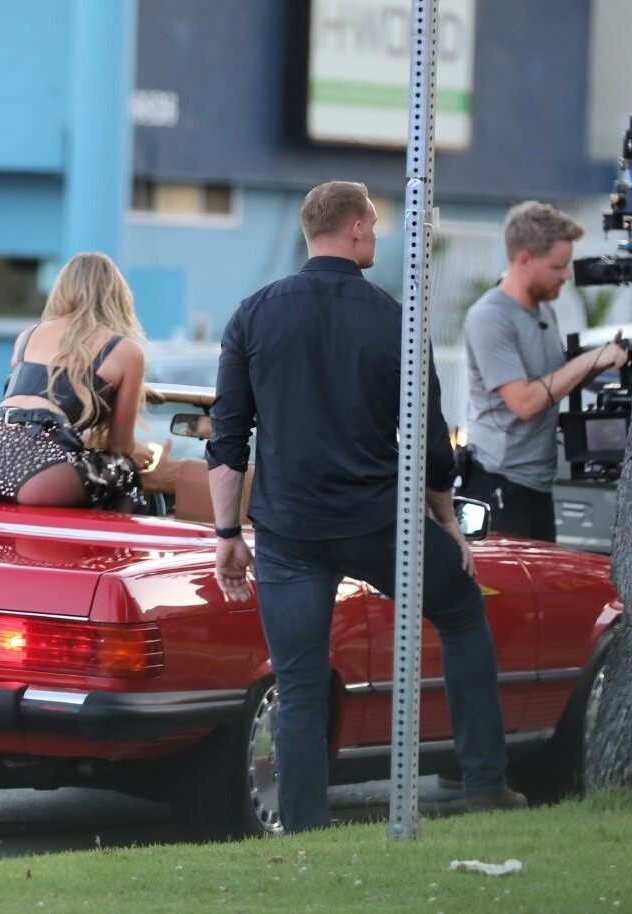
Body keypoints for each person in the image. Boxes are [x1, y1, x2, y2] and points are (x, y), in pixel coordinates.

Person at [206, 180, 525, 833]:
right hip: (379, 523)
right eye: (374, 225)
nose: (377, 235)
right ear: (353, 228)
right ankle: (485, 782)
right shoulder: (395, 320)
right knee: (462, 612)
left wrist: (226, 533)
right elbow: (430, 441)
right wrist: (446, 519)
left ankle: (305, 830)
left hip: (289, 529)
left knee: (299, 683)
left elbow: (228, 438)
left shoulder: (252, 315)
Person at [461, 201, 630, 540]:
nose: (567, 275)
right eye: (558, 266)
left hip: (537, 486)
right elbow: (525, 402)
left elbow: (553, 383)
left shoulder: (543, 312)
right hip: (499, 487)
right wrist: (593, 358)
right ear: (524, 260)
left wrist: (609, 360)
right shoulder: (490, 318)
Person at [0, 252, 153, 511]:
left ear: (62, 290)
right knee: (124, 472)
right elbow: (119, 445)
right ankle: (121, 539)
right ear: (117, 297)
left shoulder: (27, 336)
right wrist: (135, 452)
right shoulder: (125, 350)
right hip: (45, 470)